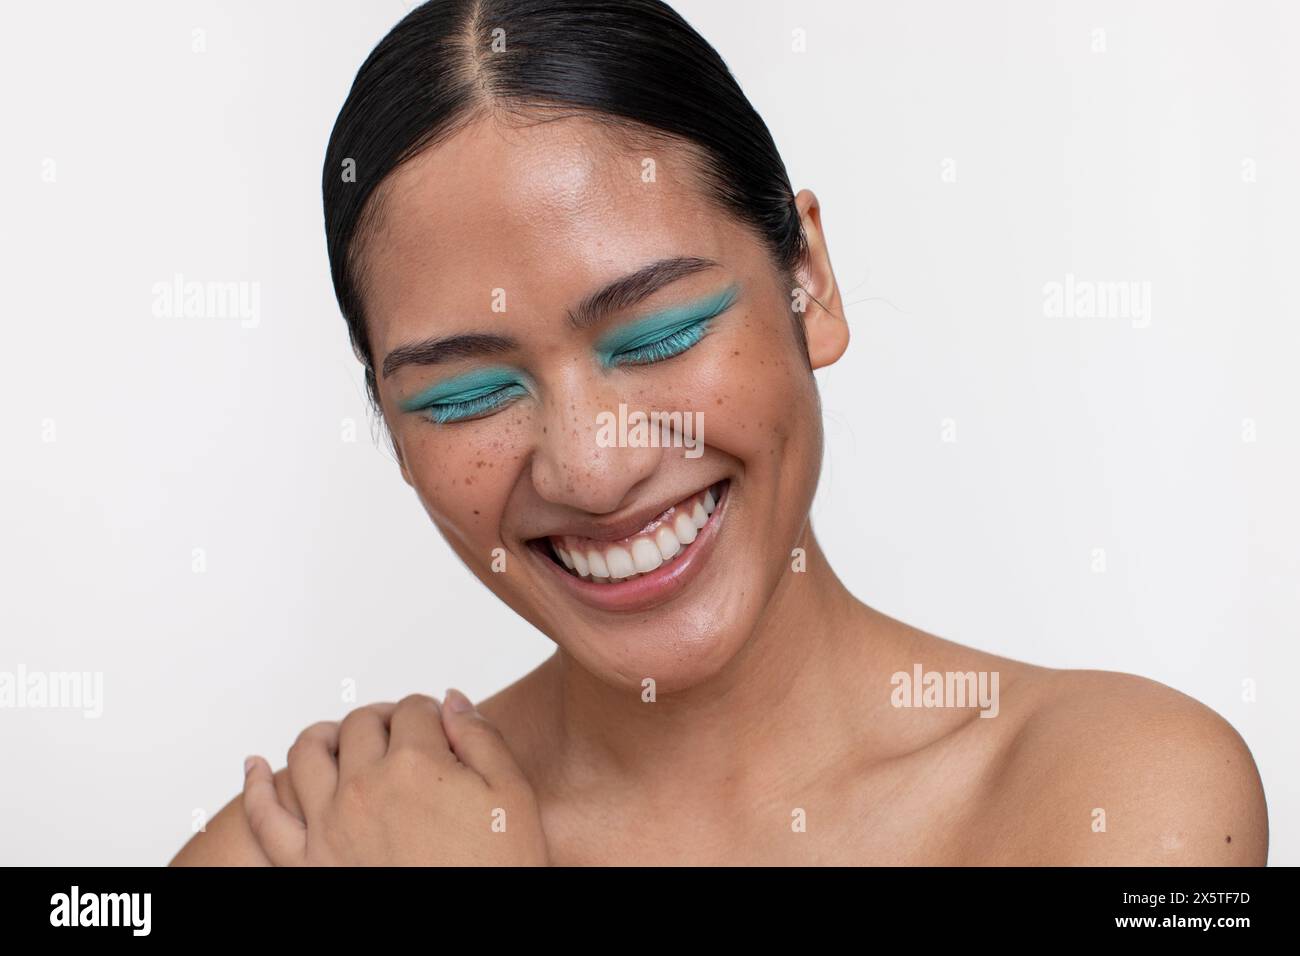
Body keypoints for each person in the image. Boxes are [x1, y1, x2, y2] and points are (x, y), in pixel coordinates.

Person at [171, 0, 1267, 866]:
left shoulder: (1119, 791)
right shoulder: (302, 844)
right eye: (462, 397)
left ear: (810, 281)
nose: (594, 468)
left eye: (658, 331)